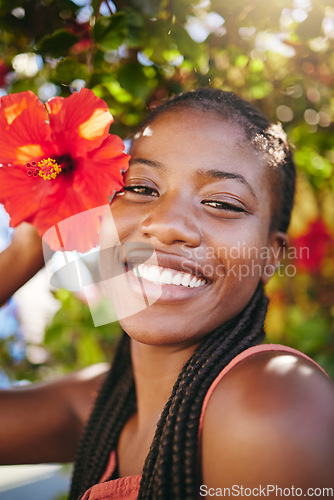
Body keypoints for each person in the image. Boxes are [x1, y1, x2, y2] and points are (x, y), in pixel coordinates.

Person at [0, 88, 333, 500]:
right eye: (141, 188)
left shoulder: (270, 402)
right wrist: (27, 247)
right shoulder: (99, 404)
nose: (167, 224)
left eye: (223, 203)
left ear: (270, 257)